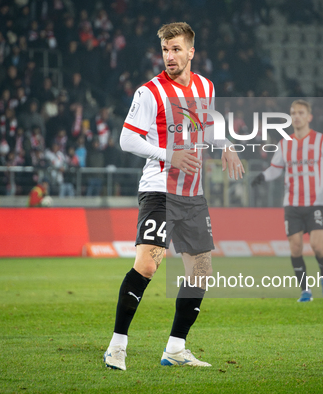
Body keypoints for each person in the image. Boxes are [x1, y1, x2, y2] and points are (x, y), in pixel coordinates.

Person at [104, 22, 244, 371]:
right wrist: (170, 154)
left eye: (177, 49)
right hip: (159, 189)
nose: (170, 56)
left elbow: (209, 123)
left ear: (191, 52)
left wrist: (226, 146)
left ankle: (176, 348)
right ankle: (116, 346)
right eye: (166, 50)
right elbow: (126, 140)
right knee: (149, 263)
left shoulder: (205, 86)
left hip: (192, 193)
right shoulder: (149, 93)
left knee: (201, 270)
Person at [251, 100, 323, 302]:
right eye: (293, 113)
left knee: (317, 246)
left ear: (309, 117)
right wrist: (263, 176)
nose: (296, 116)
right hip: (292, 204)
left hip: (316, 203)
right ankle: (306, 291)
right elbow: (275, 168)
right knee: (295, 248)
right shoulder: (284, 144)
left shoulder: (322, 140)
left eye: (301, 113)